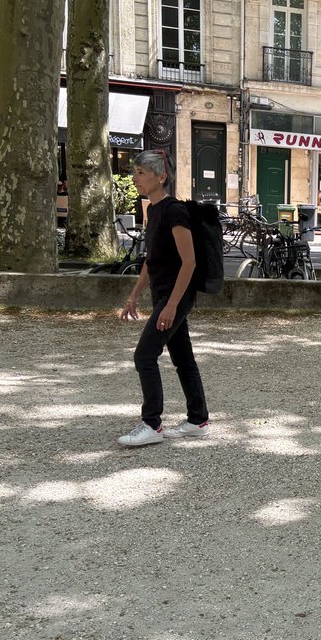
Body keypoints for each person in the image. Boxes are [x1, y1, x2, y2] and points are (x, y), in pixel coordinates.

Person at [117, 150, 210, 447]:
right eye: (135, 172)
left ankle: (152, 424)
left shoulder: (174, 211)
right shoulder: (153, 210)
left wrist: (171, 305)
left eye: (141, 173)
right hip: (163, 294)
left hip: (176, 296)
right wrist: (133, 296)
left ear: (161, 177)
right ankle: (198, 420)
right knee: (183, 358)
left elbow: (189, 263)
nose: (135, 178)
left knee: (144, 355)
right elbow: (151, 260)